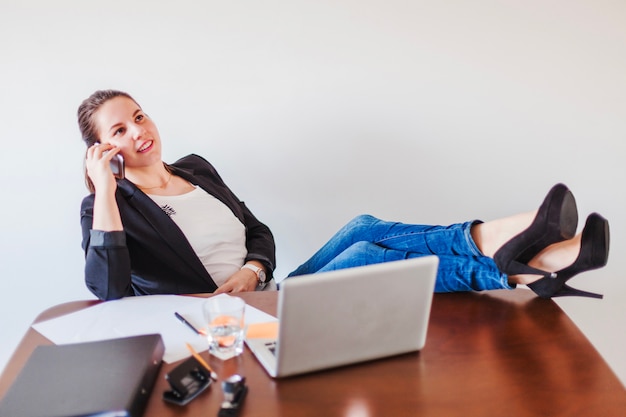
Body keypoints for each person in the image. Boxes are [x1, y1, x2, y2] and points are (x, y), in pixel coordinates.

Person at [78, 89, 610, 301]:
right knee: (361, 257)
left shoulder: (194, 168)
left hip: (262, 294)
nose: (138, 131)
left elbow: (257, 233)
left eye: (139, 116)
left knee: (360, 227)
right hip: (222, 324)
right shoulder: (109, 208)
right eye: (119, 131)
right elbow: (108, 291)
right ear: (102, 149)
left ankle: (532, 249)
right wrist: (105, 190)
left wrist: (253, 270)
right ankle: (527, 253)